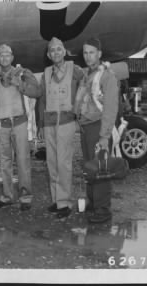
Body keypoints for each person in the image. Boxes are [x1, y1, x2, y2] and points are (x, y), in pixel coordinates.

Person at [0, 44, 42, 211]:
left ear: (12, 57)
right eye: (1, 55)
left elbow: (36, 92)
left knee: (23, 161)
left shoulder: (22, 73)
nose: (4, 58)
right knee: (4, 162)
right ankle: (7, 196)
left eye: (7, 55)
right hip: (3, 125)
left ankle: (25, 197)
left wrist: (20, 84)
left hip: (19, 123)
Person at [37, 37, 85, 219]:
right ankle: (56, 200)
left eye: (59, 49)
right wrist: (40, 124)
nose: (56, 53)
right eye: (52, 50)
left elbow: (86, 83)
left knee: (63, 163)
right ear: (49, 55)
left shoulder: (75, 70)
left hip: (66, 122)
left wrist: (78, 106)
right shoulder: (46, 73)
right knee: (52, 163)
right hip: (49, 123)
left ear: (64, 52)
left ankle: (64, 202)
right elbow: (41, 100)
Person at [74, 37, 120, 223]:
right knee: (90, 167)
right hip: (86, 127)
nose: (88, 56)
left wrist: (104, 136)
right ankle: (93, 203)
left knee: (100, 168)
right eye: (85, 52)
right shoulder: (87, 75)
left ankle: (103, 211)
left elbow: (110, 108)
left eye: (91, 52)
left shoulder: (107, 76)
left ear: (99, 54)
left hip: (98, 127)